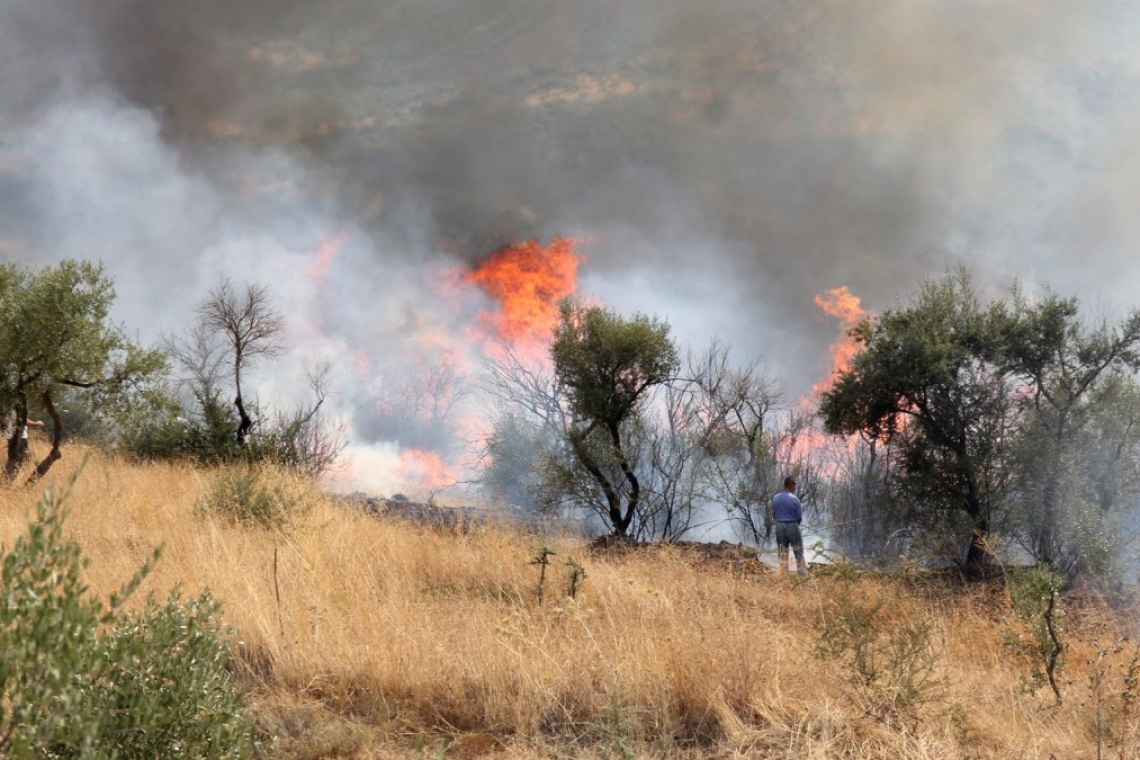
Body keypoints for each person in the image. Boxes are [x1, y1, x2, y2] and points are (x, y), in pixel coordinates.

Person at [771, 476, 808, 576]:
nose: (795, 487)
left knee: (782, 552)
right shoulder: (794, 499)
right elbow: (799, 517)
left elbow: (773, 514)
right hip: (792, 525)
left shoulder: (776, 497)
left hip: (779, 526)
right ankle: (802, 573)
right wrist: (795, 524)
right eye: (794, 485)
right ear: (790, 484)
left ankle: (784, 574)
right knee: (798, 550)